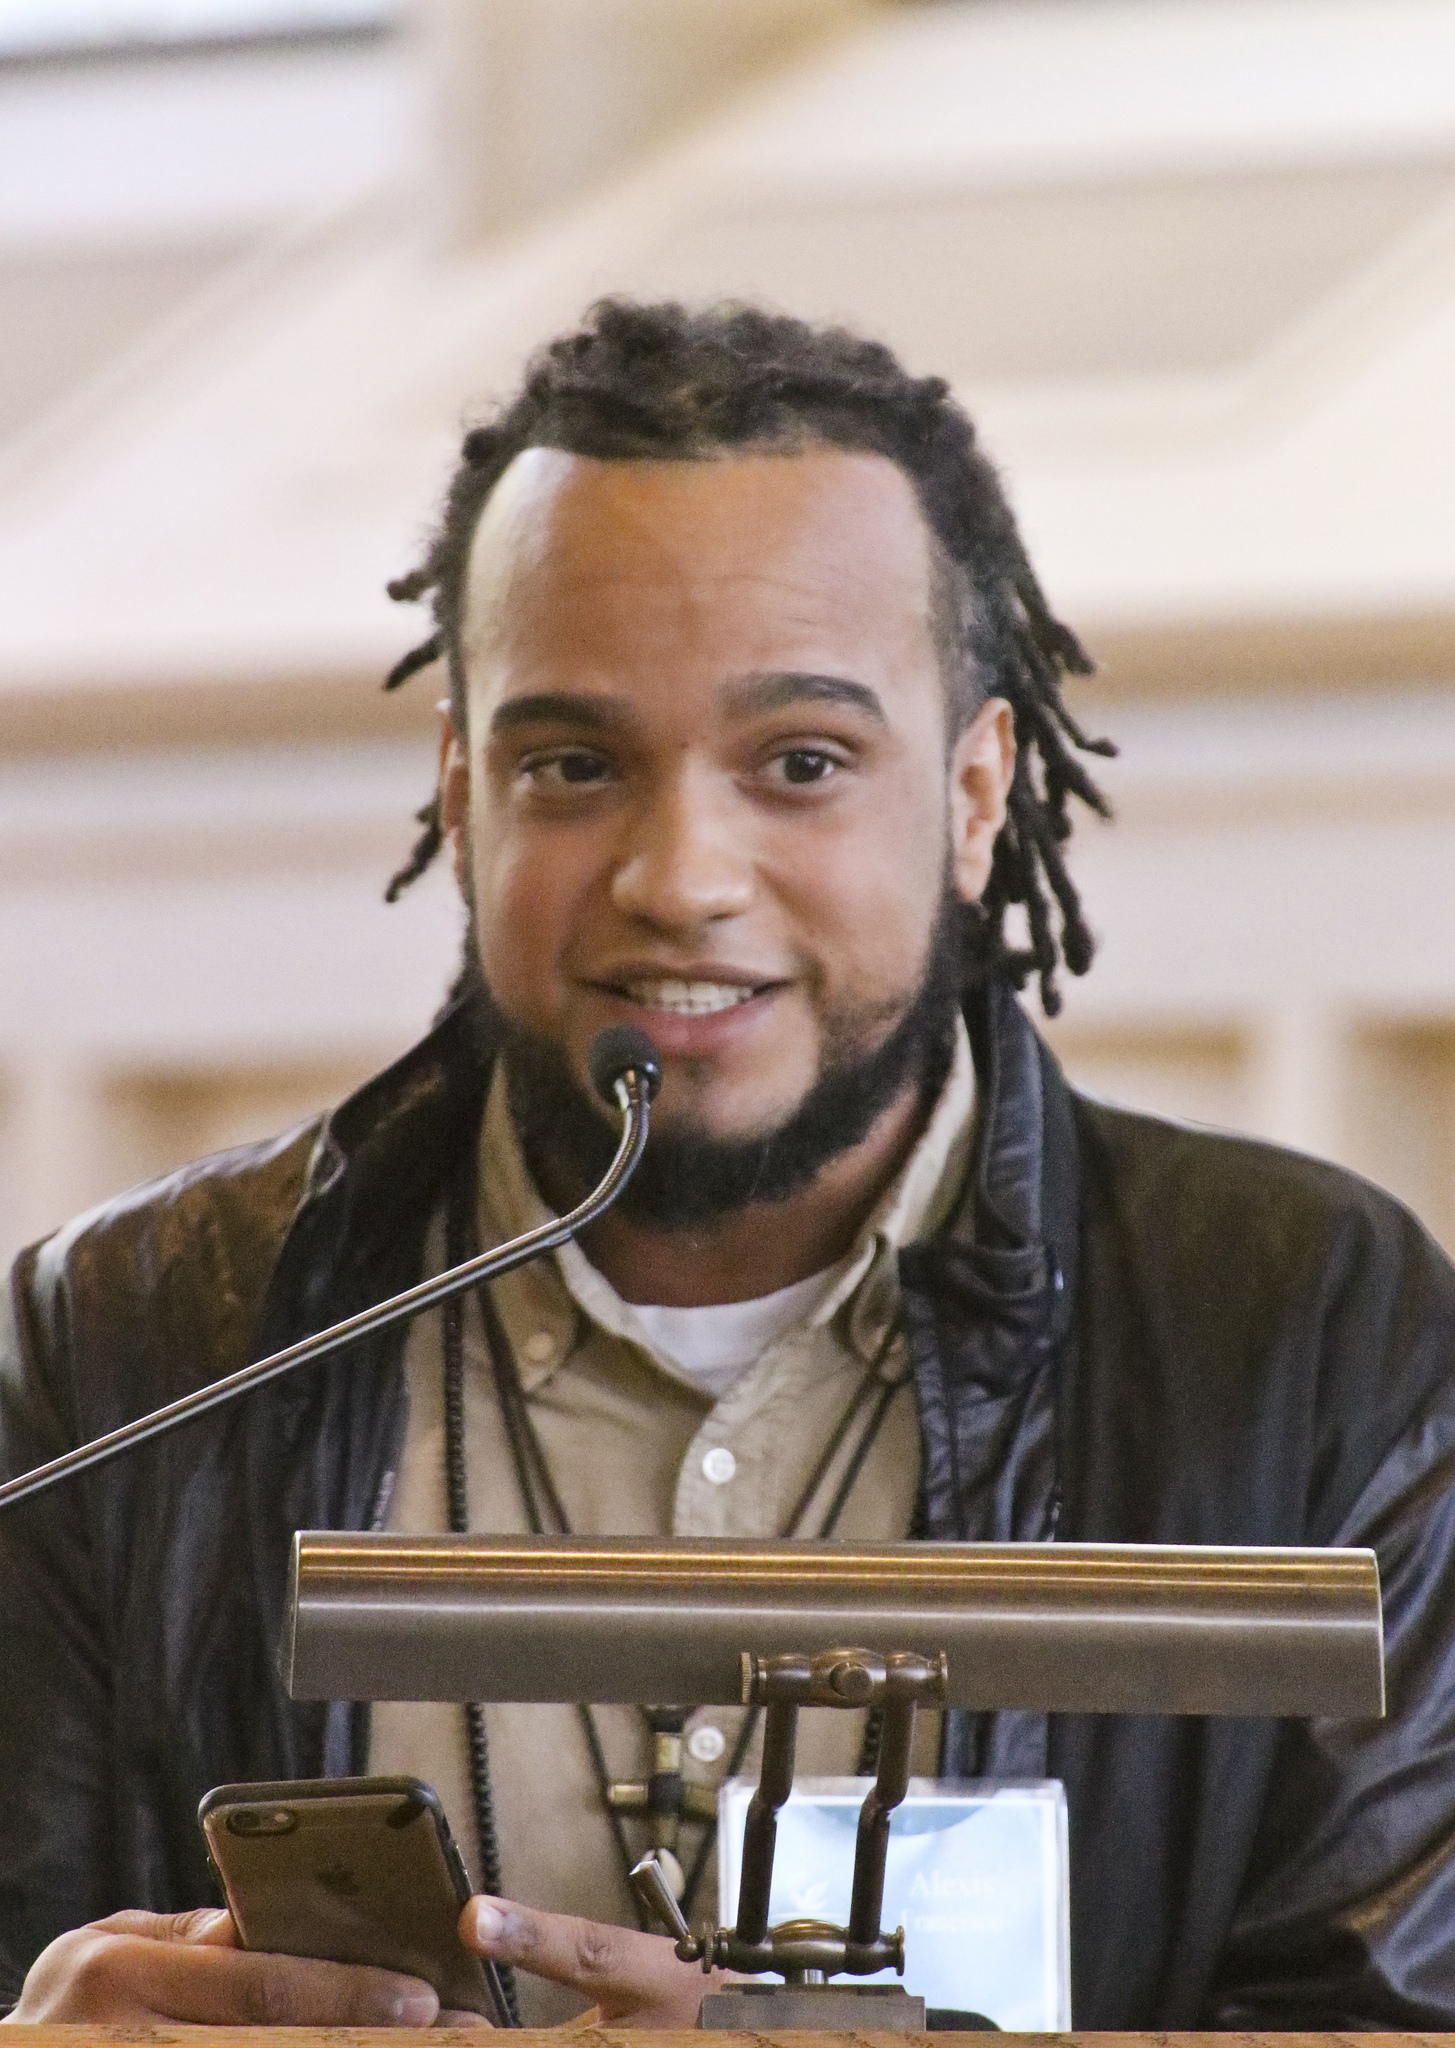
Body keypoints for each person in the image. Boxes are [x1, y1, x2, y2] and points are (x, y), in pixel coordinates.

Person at [5, 298, 1455, 2031]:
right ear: (462, 796)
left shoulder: (1312, 1336)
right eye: (574, 764)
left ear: (977, 794)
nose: (682, 875)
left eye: (802, 764)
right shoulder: (131, 1345)